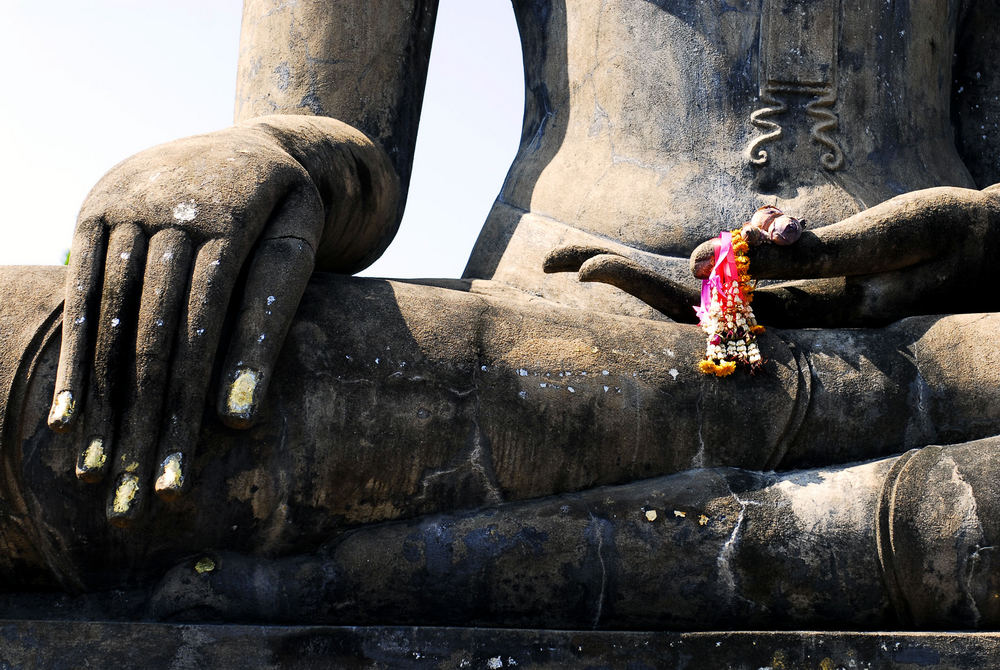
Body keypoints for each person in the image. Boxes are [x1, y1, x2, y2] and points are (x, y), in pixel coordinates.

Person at [1, 0, 999, 626]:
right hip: (571, 327)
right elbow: (339, 132)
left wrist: (972, 229)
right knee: (42, 364)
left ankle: (813, 484)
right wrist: (263, 153)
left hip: (949, 331)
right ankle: (887, 482)